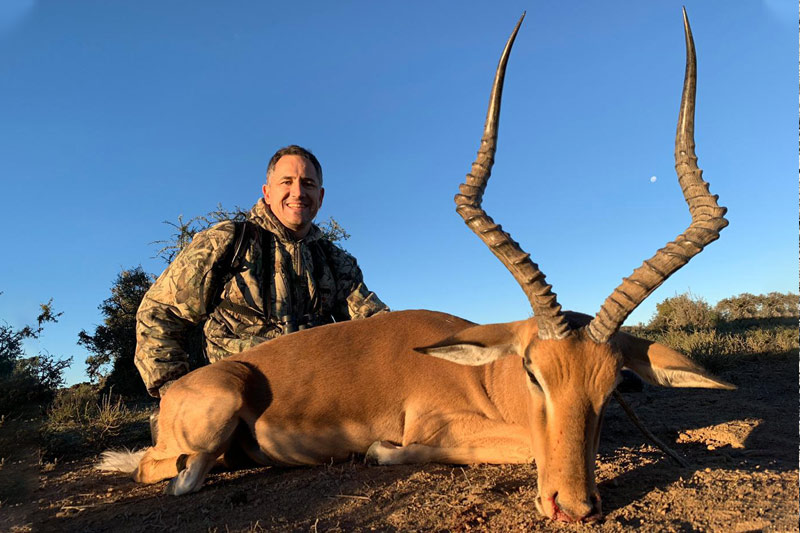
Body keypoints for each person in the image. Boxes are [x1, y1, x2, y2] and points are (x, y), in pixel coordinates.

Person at [134, 145, 389, 400]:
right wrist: (174, 394)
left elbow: (378, 327)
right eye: (287, 182)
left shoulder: (335, 261)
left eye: (308, 183)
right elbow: (158, 312)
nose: (298, 192)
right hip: (237, 402)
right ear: (267, 193)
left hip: (317, 401)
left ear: (320, 197)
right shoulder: (227, 242)